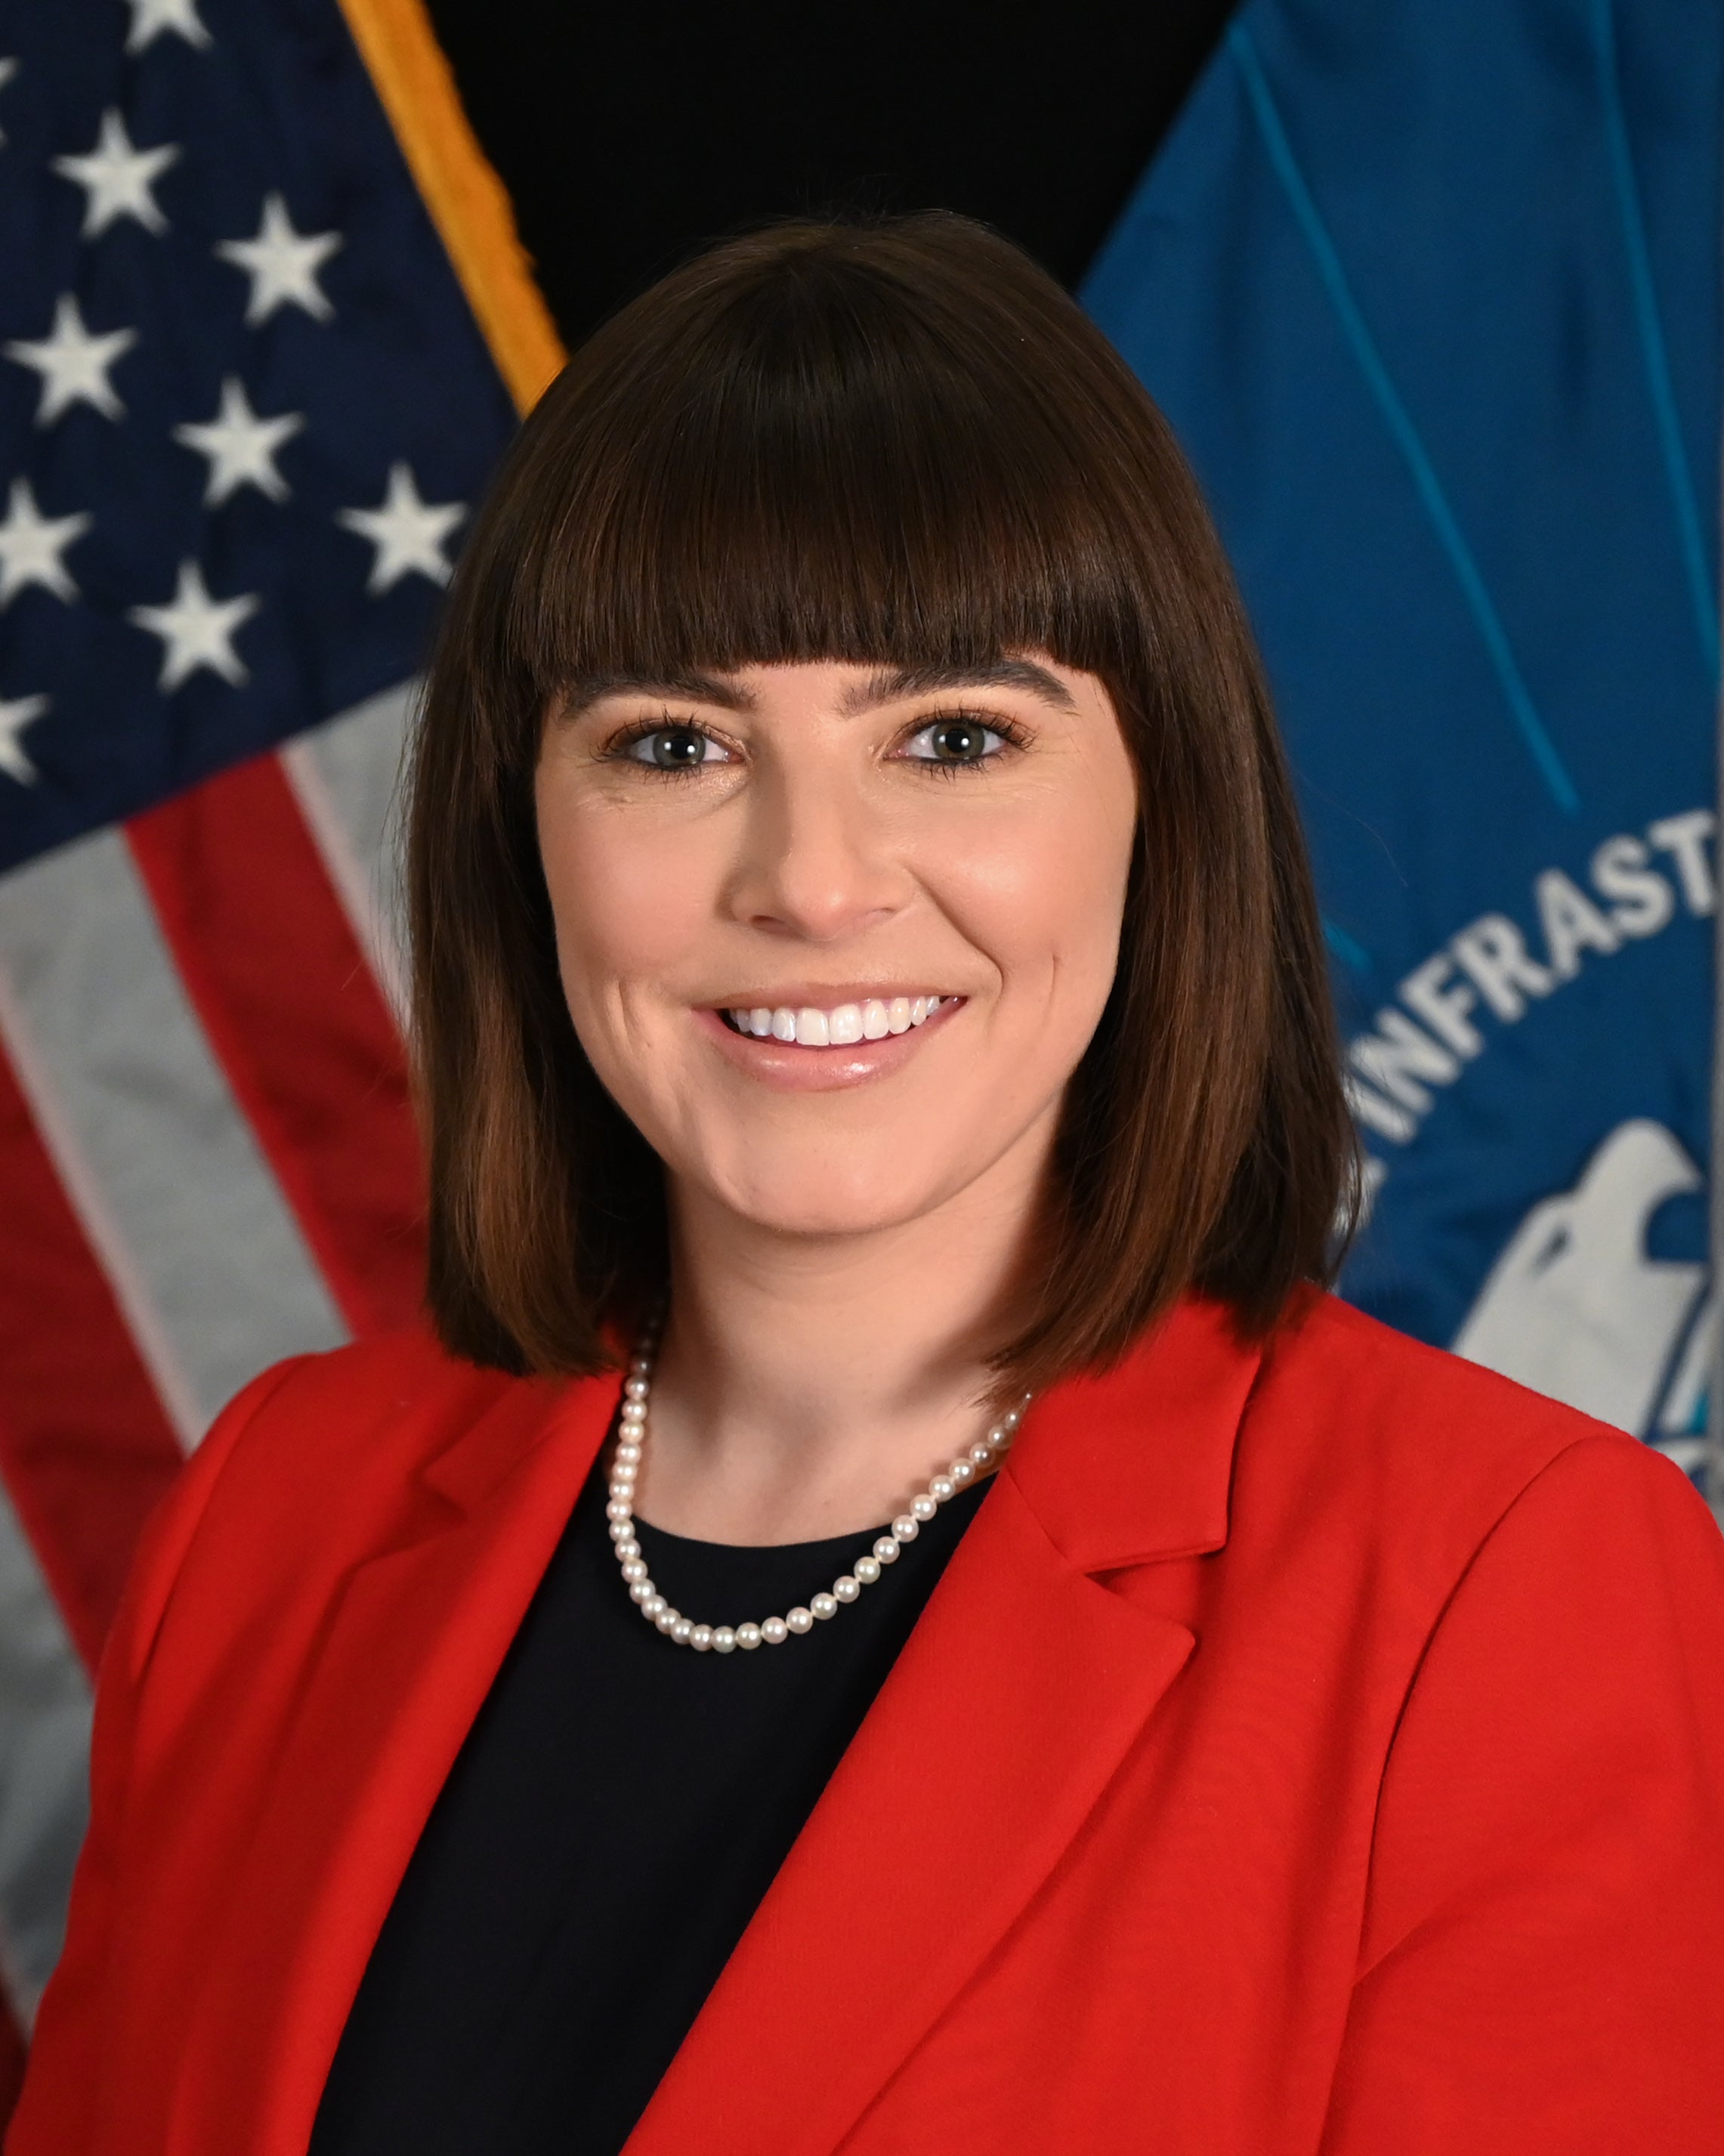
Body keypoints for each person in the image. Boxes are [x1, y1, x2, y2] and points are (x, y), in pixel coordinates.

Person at [11, 213, 1724, 2156]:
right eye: (674, 741)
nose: (812, 883)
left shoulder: (1504, 1593)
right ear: (522, 828)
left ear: (1161, 807)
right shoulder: (270, 1517)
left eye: (953, 737)